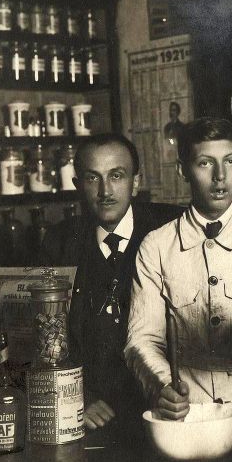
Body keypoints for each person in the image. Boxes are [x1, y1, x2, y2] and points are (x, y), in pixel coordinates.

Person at [124, 117, 232, 457]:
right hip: (185, 429)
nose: (220, 177)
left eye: (230, 162)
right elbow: (141, 339)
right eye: (205, 163)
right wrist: (163, 388)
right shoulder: (156, 246)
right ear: (183, 170)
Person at [40, 133, 180, 434]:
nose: (105, 191)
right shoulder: (60, 242)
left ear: (136, 182)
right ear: (78, 186)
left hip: (165, 414)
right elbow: (44, 339)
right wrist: (78, 396)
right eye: (93, 179)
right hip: (94, 420)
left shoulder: (170, 231)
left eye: (116, 176)